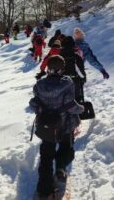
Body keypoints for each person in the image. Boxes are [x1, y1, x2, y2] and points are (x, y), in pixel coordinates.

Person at [30, 55, 84, 199]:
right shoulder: (67, 83)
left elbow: (33, 104)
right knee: (66, 147)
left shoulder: (39, 85)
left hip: (47, 126)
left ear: (48, 68)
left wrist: (43, 110)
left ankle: (44, 190)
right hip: (65, 125)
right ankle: (60, 169)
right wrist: (82, 109)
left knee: (46, 156)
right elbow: (71, 106)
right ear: (62, 68)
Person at [60, 36, 86, 104]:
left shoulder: (59, 56)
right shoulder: (76, 57)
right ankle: (78, 111)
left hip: (61, 82)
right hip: (75, 81)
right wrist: (83, 79)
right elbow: (81, 72)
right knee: (76, 100)